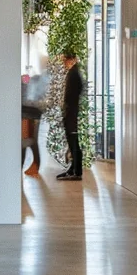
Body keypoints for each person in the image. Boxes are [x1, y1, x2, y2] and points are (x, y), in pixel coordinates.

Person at [57, 51, 85, 181]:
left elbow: (71, 96)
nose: (64, 63)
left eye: (65, 60)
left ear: (72, 59)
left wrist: (66, 108)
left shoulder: (74, 74)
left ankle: (75, 171)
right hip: (71, 112)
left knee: (73, 141)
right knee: (72, 141)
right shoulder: (74, 72)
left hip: (71, 113)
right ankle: (73, 169)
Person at [21, 58, 51, 177]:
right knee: (28, 143)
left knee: (30, 142)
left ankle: (33, 166)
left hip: (31, 113)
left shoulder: (42, 78)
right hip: (29, 113)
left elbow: (32, 98)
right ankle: (30, 166)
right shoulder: (35, 78)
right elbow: (26, 81)